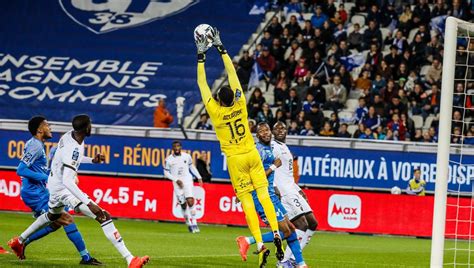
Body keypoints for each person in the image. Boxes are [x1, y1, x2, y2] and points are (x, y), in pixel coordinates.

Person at [9, 115, 149, 267]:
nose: (91, 127)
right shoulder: (71, 147)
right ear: (86, 128)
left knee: (52, 215)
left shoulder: (70, 136)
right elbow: (68, 180)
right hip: (62, 188)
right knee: (102, 215)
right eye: (90, 125)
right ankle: (130, 260)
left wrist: (92, 160)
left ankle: (20, 241)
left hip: (53, 187)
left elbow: (71, 158)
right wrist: (88, 203)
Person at [195, 28, 283, 265]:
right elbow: (233, 74)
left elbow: (202, 84)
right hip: (252, 153)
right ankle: (275, 232)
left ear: (218, 100)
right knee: (264, 194)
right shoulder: (241, 102)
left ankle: (260, 242)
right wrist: (221, 48)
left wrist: (201, 55)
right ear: (233, 98)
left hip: (235, 159)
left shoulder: (214, 111)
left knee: (247, 201)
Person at [7, 116, 100, 265]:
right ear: (39, 129)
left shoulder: (37, 145)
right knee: (67, 219)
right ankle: (86, 257)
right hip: (34, 192)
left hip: (38, 191)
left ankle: (21, 242)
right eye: (47, 125)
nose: (50, 128)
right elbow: (21, 170)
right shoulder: (35, 146)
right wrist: (46, 176)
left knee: (56, 222)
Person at [236, 123, 307, 268]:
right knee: (285, 231)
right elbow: (257, 177)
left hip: (270, 195)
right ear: (257, 136)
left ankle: (301, 264)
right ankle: (247, 240)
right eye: (261, 131)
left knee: (291, 230)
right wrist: (274, 166)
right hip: (262, 198)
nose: (266, 133)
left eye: (267, 130)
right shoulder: (259, 151)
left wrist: (274, 187)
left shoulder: (269, 148)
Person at [271, 122, 318, 266]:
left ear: (286, 131)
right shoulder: (273, 146)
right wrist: (273, 187)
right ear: (273, 131)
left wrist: (298, 189)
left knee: (313, 223)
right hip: (284, 192)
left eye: (283, 128)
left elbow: (287, 174)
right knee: (301, 224)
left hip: (292, 189)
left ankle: (292, 258)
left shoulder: (284, 147)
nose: (280, 130)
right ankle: (284, 261)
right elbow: (267, 167)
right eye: (277, 128)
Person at [164, 141, 203, 234]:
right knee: (183, 205)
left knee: (190, 200)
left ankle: (194, 223)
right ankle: (188, 222)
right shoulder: (168, 160)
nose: (176, 148)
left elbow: (192, 167)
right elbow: (166, 172)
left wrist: (199, 177)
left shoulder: (187, 156)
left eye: (178, 146)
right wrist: (176, 179)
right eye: (175, 146)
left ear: (181, 147)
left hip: (187, 180)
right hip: (177, 183)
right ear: (172, 148)